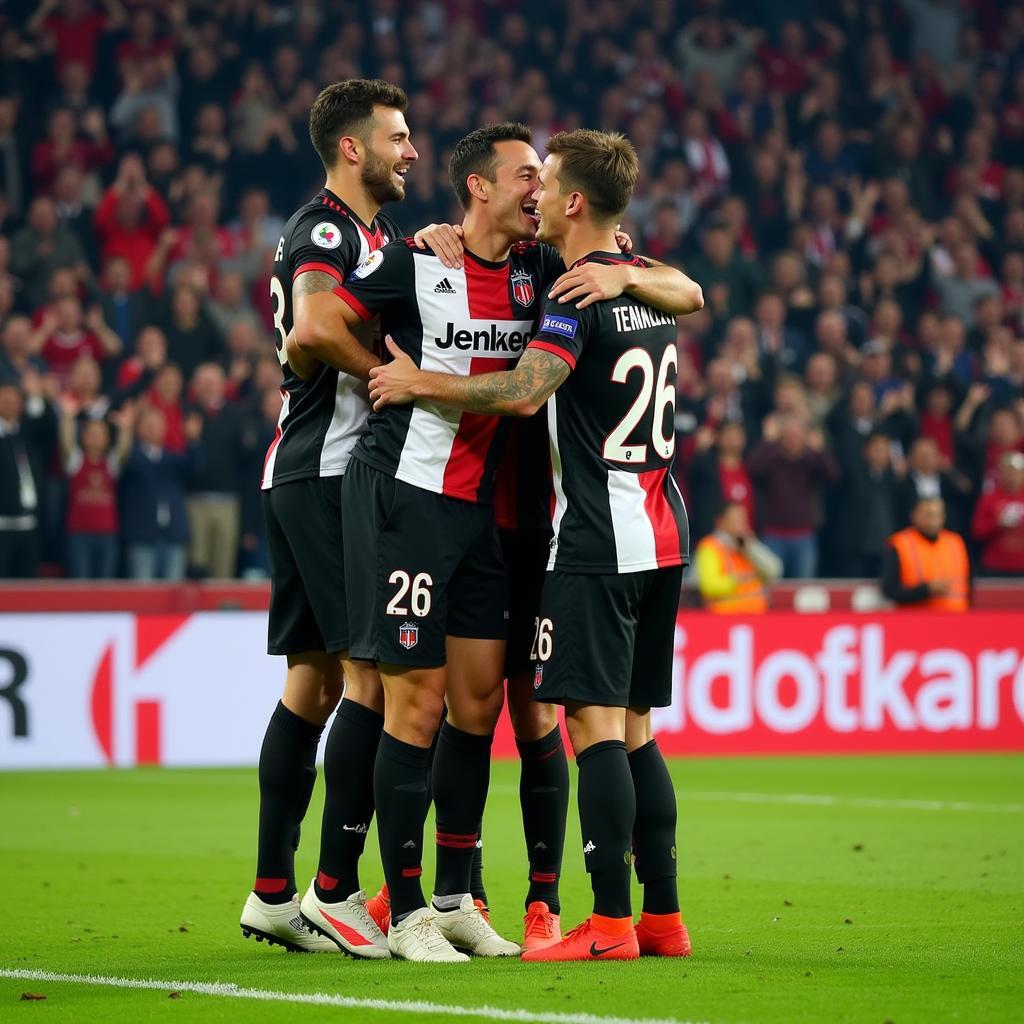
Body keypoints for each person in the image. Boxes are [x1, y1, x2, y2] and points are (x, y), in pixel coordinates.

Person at [288, 121, 696, 962]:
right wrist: (374, 367)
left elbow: (526, 388)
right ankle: (378, 904)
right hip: (428, 498)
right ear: (481, 187)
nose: (535, 192)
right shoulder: (427, 257)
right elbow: (311, 325)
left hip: (531, 523)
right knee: (419, 701)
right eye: (523, 176)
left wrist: (414, 379)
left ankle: (488, 902)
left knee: (513, 714)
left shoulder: (559, 276)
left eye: (545, 181)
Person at [240, 79, 422, 959]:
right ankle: (334, 892)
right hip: (329, 472)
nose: (411, 151)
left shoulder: (378, 237)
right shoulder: (324, 227)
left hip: (303, 471)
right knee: (374, 680)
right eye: (397, 136)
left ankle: (273, 891)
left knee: (310, 686)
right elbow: (312, 325)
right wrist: (381, 382)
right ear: (353, 147)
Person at [881, 496, 970, 610]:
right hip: (918, 621)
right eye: (928, 515)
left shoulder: (955, 542)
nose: (933, 520)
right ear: (914, 515)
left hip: (957, 619)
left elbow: (968, 585)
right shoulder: (900, 544)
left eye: (938, 515)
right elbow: (889, 589)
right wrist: (926, 590)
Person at [694, 501, 781, 612]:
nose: (740, 524)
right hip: (724, 618)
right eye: (735, 519)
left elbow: (774, 572)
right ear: (720, 522)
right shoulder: (709, 547)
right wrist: (737, 580)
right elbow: (709, 586)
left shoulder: (748, 545)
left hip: (757, 615)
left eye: (743, 519)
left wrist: (751, 548)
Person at [971, 452, 1024, 577]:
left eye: (1016, 472)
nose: (1012, 476)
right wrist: (997, 523)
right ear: (1000, 474)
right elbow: (977, 531)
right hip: (995, 566)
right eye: (1007, 471)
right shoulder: (988, 497)